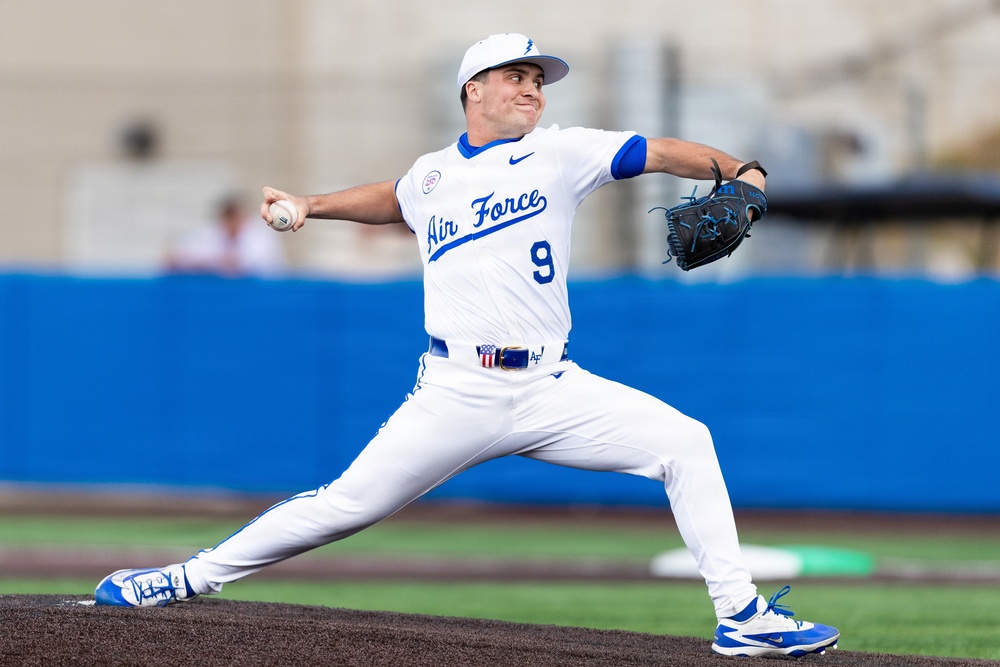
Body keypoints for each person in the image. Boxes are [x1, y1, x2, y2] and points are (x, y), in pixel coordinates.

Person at [95, 33, 839, 658]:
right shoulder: (433, 175)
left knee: (687, 441)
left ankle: (740, 616)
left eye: (538, 80)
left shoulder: (560, 153)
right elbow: (395, 197)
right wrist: (312, 204)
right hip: (457, 389)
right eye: (517, 76)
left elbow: (660, 151)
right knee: (342, 505)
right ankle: (187, 576)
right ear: (473, 89)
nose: (534, 90)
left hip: (553, 387)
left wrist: (741, 169)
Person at [166, 194, 286, 277]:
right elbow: (180, 257)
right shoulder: (209, 233)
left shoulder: (261, 234)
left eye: (237, 218)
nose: (233, 222)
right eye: (229, 218)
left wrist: (212, 261)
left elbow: (251, 261)